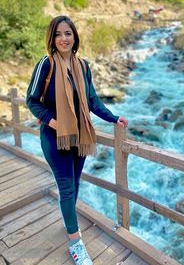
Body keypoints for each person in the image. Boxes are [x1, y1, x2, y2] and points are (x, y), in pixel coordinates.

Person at [26, 15, 128, 265]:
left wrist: (114, 118)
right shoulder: (46, 64)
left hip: (79, 136)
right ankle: (76, 243)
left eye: (68, 33)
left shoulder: (82, 65)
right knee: (67, 187)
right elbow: (31, 100)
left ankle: (68, 221)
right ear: (52, 37)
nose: (63, 39)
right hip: (55, 136)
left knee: (75, 184)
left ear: (75, 37)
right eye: (59, 34)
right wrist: (53, 121)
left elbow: (92, 100)